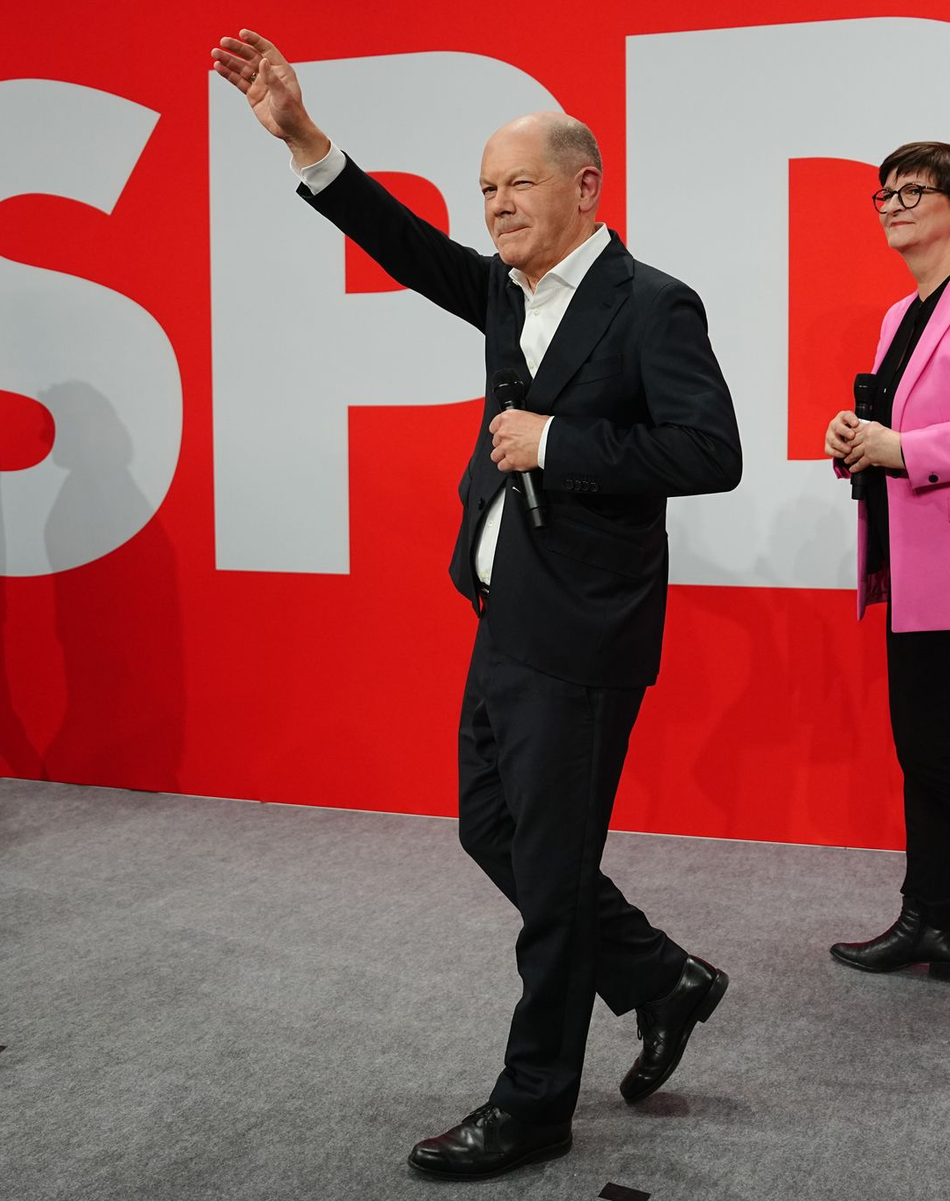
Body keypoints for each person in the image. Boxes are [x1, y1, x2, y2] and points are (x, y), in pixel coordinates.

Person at [212, 31, 742, 1180]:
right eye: (487, 188)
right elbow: (403, 247)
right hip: (507, 612)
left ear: (586, 186)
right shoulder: (507, 291)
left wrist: (559, 441)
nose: (497, 205)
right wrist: (303, 137)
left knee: (548, 875)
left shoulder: (653, 304)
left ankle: (535, 1101)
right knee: (492, 829)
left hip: (586, 632)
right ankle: (660, 977)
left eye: (518, 184)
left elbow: (712, 450)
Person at [825, 143, 950, 981]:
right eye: (883, 194)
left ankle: (930, 912)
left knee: (939, 746)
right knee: (927, 743)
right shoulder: (903, 314)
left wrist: (906, 446)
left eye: (910, 191)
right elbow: (899, 436)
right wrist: (858, 444)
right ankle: (930, 918)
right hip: (912, 560)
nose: (891, 205)